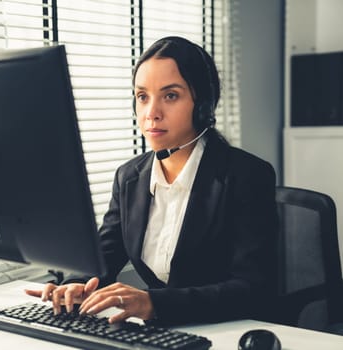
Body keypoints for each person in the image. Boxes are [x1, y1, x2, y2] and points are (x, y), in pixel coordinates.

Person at [25, 36, 278, 326]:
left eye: (170, 96)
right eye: (142, 96)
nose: (151, 114)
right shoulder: (129, 177)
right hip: (161, 334)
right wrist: (75, 284)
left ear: (203, 105)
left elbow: (254, 289)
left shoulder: (246, 175)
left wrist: (153, 303)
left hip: (228, 331)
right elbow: (101, 259)